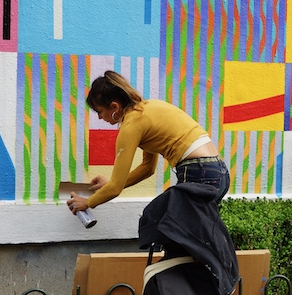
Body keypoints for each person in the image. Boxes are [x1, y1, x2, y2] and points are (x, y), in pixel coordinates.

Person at [67, 70, 230, 214]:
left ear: (115, 107)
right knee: (193, 231)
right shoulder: (146, 109)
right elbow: (147, 168)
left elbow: (115, 188)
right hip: (218, 172)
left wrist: (88, 202)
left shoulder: (131, 125)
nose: (99, 117)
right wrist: (108, 185)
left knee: (174, 230)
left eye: (100, 111)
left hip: (198, 171)